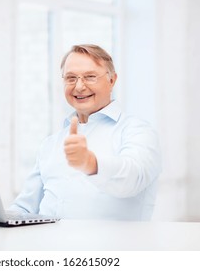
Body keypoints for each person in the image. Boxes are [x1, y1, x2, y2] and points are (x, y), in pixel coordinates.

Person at [10, 44, 161, 221]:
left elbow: (133, 178)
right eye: (71, 78)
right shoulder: (51, 143)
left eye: (90, 77)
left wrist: (90, 163)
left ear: (112, 80)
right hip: (49, 246)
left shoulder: (137, 131)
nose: (79, 86)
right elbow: (25, 207)